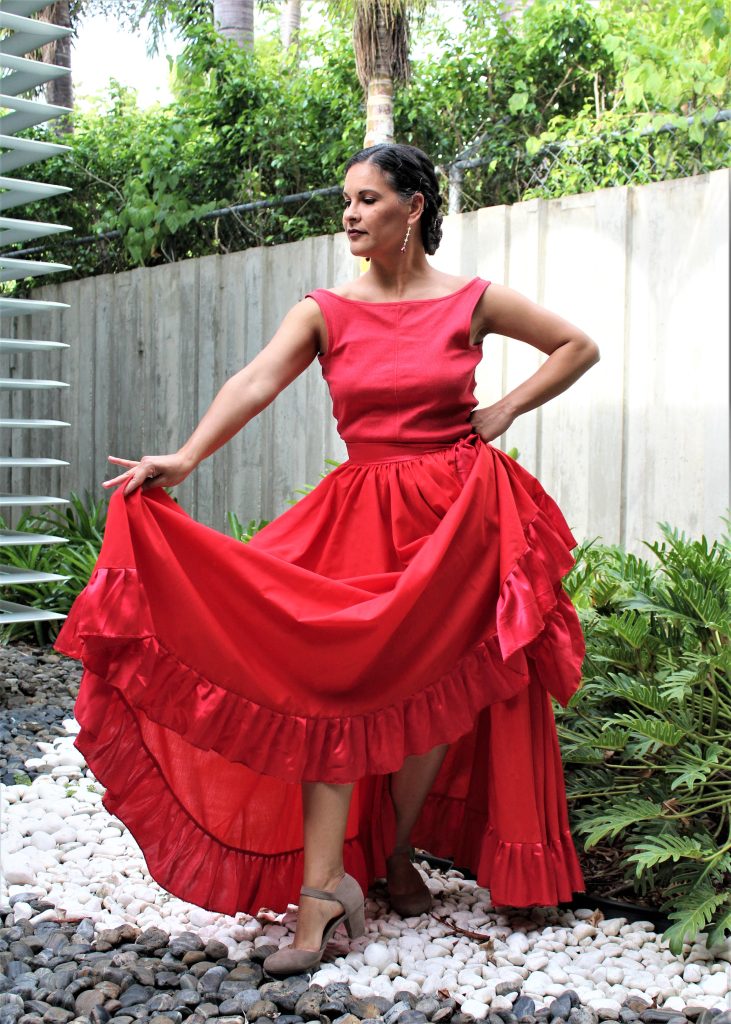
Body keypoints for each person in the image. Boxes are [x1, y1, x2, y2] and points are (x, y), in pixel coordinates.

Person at [54, 142, 600, 977]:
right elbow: (254, 382)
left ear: (413, 207)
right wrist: (186, 458)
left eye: (368, 198)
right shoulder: (324, 310)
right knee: (329, 692)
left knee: (435, 692)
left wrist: (502, 411)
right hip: (361, 518)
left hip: (457, 520)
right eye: (345, 199)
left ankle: (391, 853)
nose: (349, 213)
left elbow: (575, 346)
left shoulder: (472, 300)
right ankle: (321, 889)